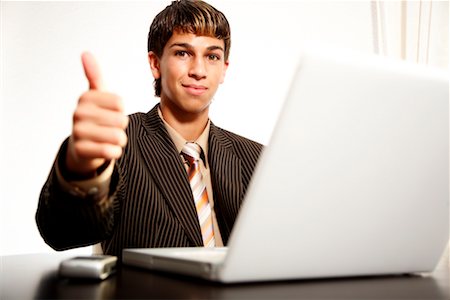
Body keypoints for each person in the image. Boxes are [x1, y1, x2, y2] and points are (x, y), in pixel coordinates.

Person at [36, 0, 263, 256]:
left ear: (224, 69)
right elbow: (63, 232)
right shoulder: (119, 141)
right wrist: (82, 170)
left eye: (212, 56)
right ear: (155, 64)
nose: (199, 70)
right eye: (183, 53)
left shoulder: (259, 159)